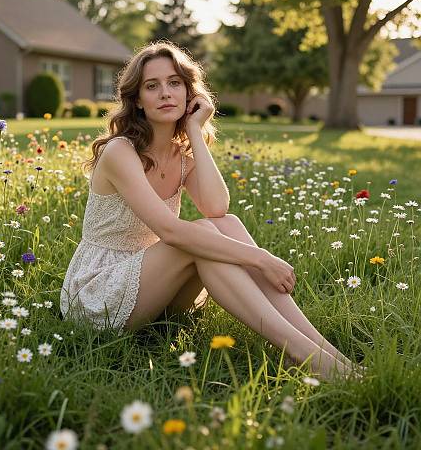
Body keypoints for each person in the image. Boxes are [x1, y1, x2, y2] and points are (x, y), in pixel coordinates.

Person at [60, 41, 363, 381]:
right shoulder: (120, 152)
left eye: (175, 83)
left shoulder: (180, 157)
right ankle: (304, 355)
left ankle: (325, 351)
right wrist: (260, 257)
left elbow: (218, 208)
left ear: (190, 94)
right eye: (152, 86)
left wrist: (194, 132)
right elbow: (172, 232)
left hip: (153, 284)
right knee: (197, 235)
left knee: (225, 224)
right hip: (98, 292)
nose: (165, 93)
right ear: (138, 101)